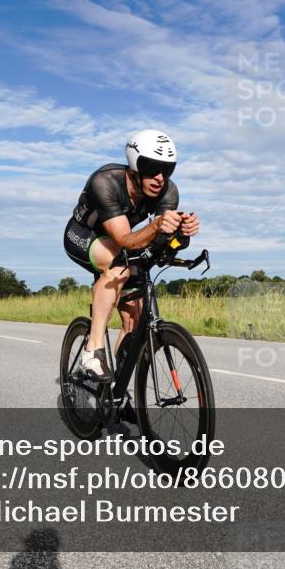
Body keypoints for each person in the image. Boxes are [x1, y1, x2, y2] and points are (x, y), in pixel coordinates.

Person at [63, 130, 200, 383]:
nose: (160, 178)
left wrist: (182, 235)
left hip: (120, 241)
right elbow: (124, 240)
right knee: (119, 265)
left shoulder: (168, 192)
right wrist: (158, 226)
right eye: (152, 168)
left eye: (167, 170)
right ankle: (92, 350)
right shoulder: (105, 182)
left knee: (134, 320)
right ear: (135, 165)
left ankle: (117, 390)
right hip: (83, 234)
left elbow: (159, 243)